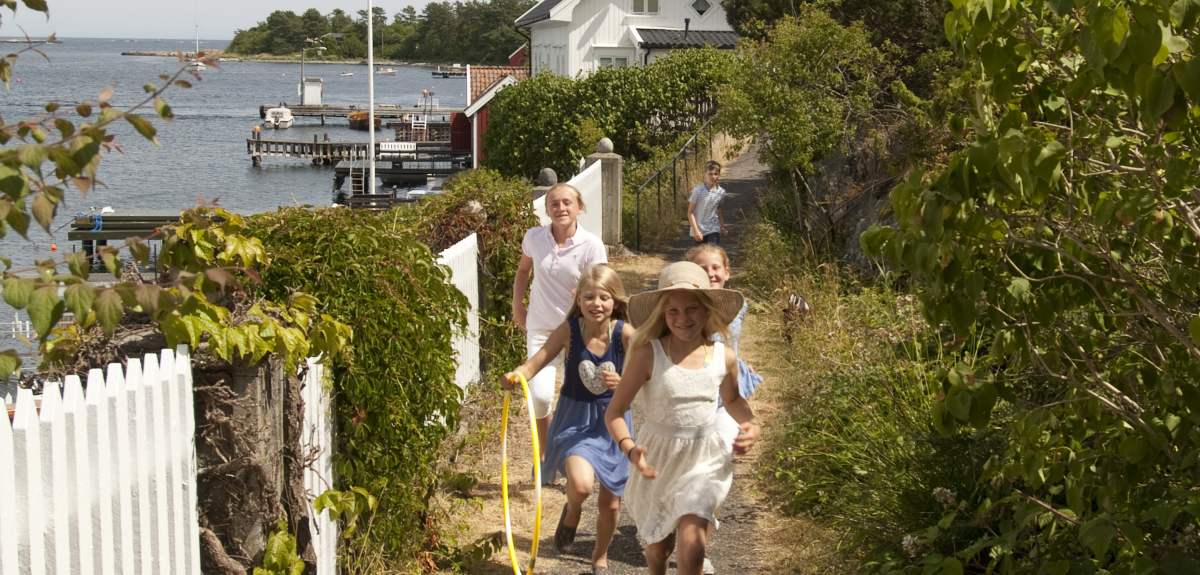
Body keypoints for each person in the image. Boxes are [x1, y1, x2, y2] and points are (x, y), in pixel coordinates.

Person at [605, 262, 761, 575]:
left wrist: (752, 424)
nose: (682, 318)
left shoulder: (723, 357)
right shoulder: (648, 354)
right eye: (673, 311)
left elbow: (732, 400)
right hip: (657, 458)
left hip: (704, 458)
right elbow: (615, 411)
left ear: (706, 311)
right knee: (659, 548)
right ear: (662, 315)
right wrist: (630, 448)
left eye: (691, 309)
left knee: (692, 543)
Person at [503, 264, 633, 575]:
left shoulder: (624, 333)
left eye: (604, 297)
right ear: (578, 299)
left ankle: (599, 556)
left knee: (611, 503)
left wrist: (625, 380)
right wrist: (517, 375)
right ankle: (572, 510)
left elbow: (647, 372)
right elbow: (538, 360)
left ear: (615, 301)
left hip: (614, 425)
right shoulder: (570, 330)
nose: (596, 304)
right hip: (576, 420)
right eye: (589, 297)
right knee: (581, 484)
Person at [513, 183, 608, 458]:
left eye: (567, 202)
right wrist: (518, 306)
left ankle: (581, 454)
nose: (561, 208)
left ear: (579, 207)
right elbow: (522, 271)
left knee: (582, 397)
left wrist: (585, 292)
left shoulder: (591, 245)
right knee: (541, 398)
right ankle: (546, 455)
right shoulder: (534, 237)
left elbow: (603, 287)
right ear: (547, 210)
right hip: (541, 328)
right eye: (554, 203)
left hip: (579, 330)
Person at [686, 244, 763, 574]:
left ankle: (701, 533)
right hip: (692, 396)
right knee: (691, 471)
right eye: (703, 270)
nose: (711, 274)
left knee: (717, 458)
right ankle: (696, 527)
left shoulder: (737, 304)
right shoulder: (683, 309)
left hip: (726, 397)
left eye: (716, 268)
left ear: (727, 272)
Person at [687, 161, 726, 245]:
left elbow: (718, 209)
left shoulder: (721, 192)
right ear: (705, 174)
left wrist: (722, 226)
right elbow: (690, 212)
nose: (713, 176)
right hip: (699, 229)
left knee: (711, 254)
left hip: (713, 228)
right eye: (710, 174)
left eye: (715, 174)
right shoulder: (698, 191)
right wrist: (696, 230)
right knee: (700, 256)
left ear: (719, 175)